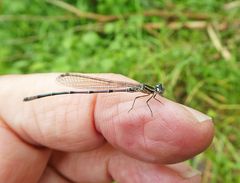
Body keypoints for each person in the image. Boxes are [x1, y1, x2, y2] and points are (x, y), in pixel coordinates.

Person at [0, 73, 214, 183]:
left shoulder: (147, 93)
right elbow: (145, 102)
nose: (157, 91)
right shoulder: (145, 93)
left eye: (157, 90)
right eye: (157, 90)